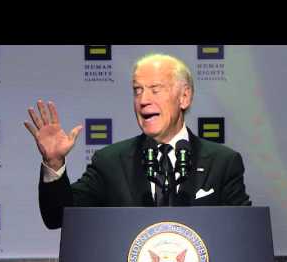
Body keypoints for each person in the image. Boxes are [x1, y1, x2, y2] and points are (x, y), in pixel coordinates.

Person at [24, 53, 251, 229]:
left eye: (155, 89)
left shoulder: (223, 162)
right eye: (137, 90)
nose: (143, 100)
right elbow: (58, 217)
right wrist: (53, 163)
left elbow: (243, 232)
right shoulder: (110, 162)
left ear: (184, 96)